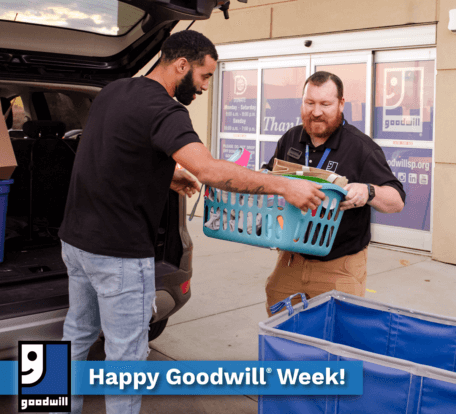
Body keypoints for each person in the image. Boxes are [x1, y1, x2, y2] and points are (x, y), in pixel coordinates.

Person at [56, 30, 326, 414]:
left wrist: (167, 173)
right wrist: (283, 186)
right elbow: (212, 171)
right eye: (204, 76)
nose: (204, 86)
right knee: (126, 358)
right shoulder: (166, 110)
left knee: (74, 335)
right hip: (118, 253)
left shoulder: (114, 90)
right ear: (181, 65)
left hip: (75, 243)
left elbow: (114, 153)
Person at [262, 71, 405, 316]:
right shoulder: (290, 139)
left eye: (325, 104)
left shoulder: (361, 148)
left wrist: (368, 191)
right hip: (290, 260)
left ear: (341, 104)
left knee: (336, 342)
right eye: (310, 103)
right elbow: (270, 174)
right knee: (282, 335)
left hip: (339, 266)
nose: (316, 112)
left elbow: (396, 200)